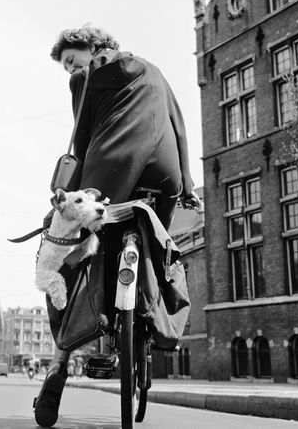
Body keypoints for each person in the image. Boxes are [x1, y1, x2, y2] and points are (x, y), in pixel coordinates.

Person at [34, 26, 201, 427]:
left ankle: (60, 361)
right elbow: (179, 130)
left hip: (108, 177)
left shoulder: (85, 77)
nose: (71, 69)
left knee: (58, 252)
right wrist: (188, 187)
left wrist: (67, 195)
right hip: (164, 181)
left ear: (92, 48)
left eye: (72, 60)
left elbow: (83, 138)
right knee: (161, 249)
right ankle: (154, 314)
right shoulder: (156, 71)